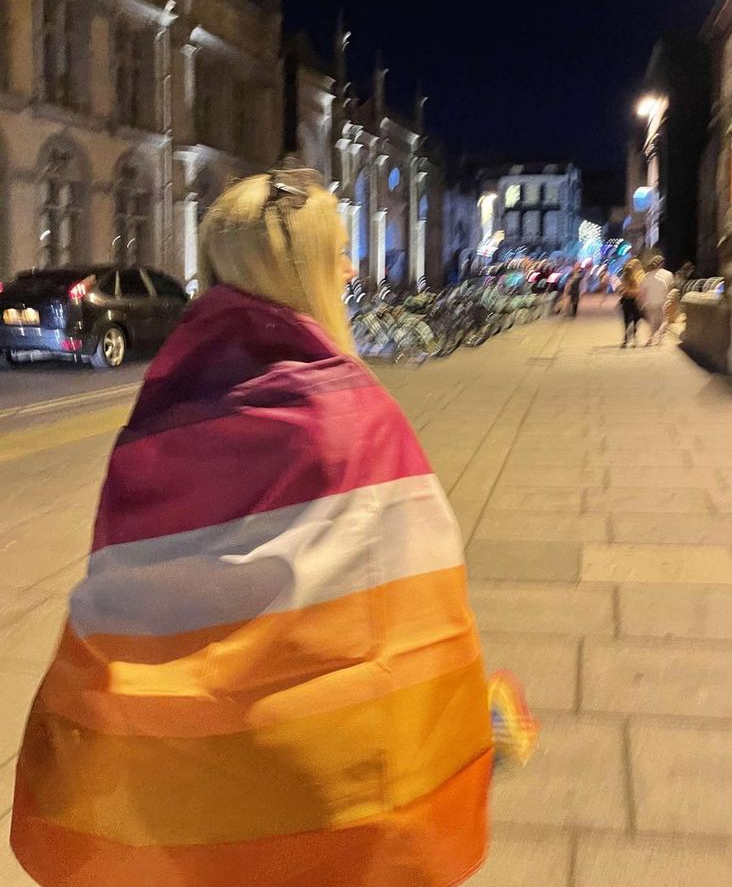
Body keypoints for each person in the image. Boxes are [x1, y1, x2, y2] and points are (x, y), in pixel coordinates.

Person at [11, 164, 535, 887]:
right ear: (310, 269)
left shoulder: (160, 410)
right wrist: (460, 723)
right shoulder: (354, 415)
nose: (351, 266)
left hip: (182, 778)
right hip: (323, 792)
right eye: (339, 251)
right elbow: (413, 608)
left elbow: (121, 587)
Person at [639, 254, 673, 346]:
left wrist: (642, 302)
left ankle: (651, 337)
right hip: (662, 301)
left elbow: (642, 291)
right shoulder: (668, 274)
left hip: (649, 302)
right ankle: (658, 336)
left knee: (651, 323)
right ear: (661, 264)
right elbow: (670, 288)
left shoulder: (646, 276)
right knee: (664, 321)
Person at [618, 258, 645, 347]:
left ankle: (627, 339)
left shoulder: (627, 279)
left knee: (628, 321)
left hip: (628, 301)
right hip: (633, 302)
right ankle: (630, 338)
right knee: (634, 320)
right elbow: (637, 291)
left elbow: (622, 290)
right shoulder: (632, 279)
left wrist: (626, 291)